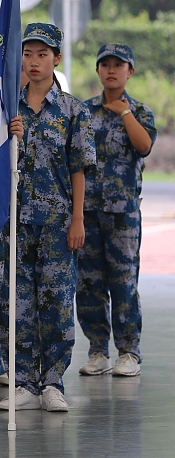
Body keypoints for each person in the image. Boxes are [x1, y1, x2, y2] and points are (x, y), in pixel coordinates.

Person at [0, 23, 95, 413]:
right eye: (28, 54)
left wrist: (78, 219)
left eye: (42, 54)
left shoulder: (73, 110)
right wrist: (9, 138)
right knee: (18, 304)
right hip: (17, 223)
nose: (34, 62)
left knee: (55, 303)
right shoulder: (8, 107)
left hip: (56, 221)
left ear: (57, 58)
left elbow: (78, 169)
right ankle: (23, 381)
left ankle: (53, 381)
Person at [78, 43, 155, 379]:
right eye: (105, 64)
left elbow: (144, 146)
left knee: (124, 285)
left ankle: (129, 351)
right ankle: (98, 350)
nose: (111, 70)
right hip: (88, 212)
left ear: (130, 71)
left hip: (123, 216)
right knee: (89, 285)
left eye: (118, 65)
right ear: (97, 70)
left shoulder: (140, 112)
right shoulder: (82, 112)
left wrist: (124, 113)